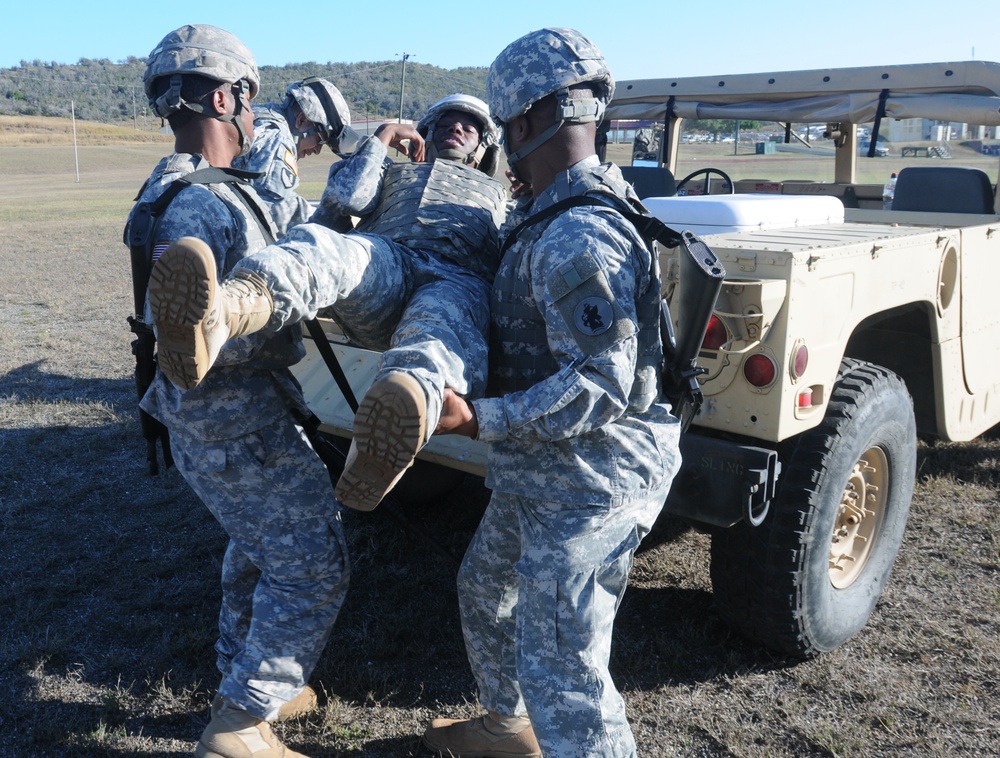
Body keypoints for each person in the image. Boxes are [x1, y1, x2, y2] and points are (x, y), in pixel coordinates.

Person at [422, 28, 682, 758]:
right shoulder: (555, 211)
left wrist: (478, 418)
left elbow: (602, 385)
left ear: (527, 122)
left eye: (504, 126)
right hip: (546, 466)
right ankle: (508, 730)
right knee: (486, 587)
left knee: (565, 666)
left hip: (595, 476)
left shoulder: (576, 236)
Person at [127, 24, 349, 758]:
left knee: (256, 547)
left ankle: (252, 678)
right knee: (313, 562)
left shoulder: (172, 190)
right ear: (225, 97)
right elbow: (206, 333)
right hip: (234, 415)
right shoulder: (210, 208)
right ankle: (242, 719)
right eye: (248, 103)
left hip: (203, 420)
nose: (255, 118)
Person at [147, 93, 508, 513]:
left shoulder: (501, 197)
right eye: (446, 120)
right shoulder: (392, 172)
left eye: (470, 125)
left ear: (485, 147)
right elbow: (348, 199)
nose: (456, 127)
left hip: (457, 281)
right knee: (331, 249)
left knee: (437, 333)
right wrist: (380, 141)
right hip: (389, 259)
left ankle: (385, 438)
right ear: (424, 133)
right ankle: (223, 314)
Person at [232, 77, 359, 235]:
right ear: (302, 120)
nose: (317, 151)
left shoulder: (261, 115)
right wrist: (336, 233)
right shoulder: (277, 138)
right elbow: (276, 209)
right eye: (320, 140)